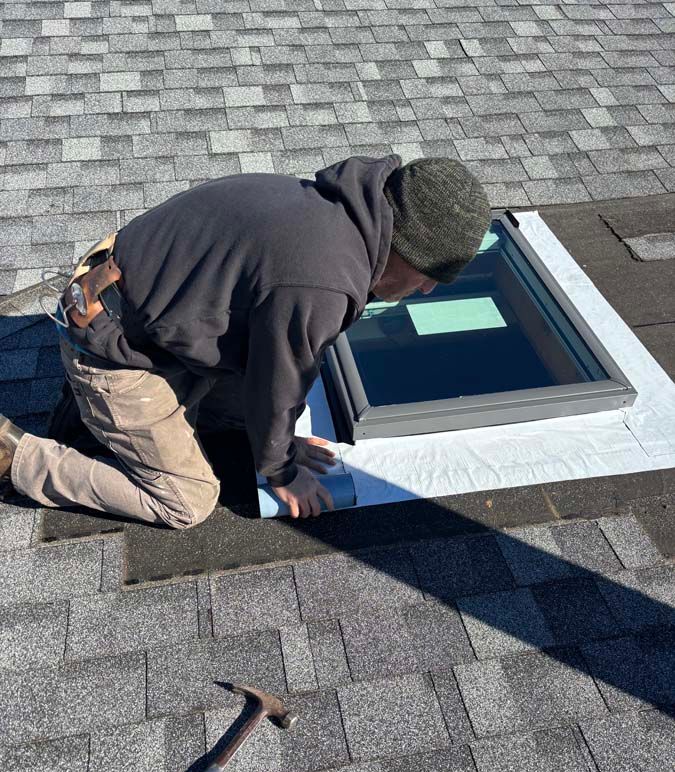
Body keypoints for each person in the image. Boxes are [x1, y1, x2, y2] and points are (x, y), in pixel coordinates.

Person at [0, 155, 490, 527]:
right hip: (114, 345)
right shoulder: (324, 279)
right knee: (186, 500)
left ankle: (93, 422)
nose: (426, 290)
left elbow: (270, 372)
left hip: (138, 308)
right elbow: (282, 378)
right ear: (406, 247)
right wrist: (280, 469)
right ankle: (17, 457)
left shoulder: (343, 211)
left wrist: (280, 438)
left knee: (241, 420)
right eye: (431, 276)